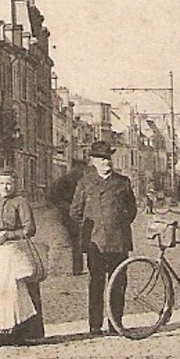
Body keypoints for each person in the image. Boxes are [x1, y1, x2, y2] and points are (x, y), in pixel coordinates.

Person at [69, 140, 137, 336]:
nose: (106, 162)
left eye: (108, 158)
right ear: (93, 161)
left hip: (118, 241)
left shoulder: (122, 182)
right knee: (96, 283)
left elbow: (131, 210)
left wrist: (118, 224)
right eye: (102, 158)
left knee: (118, 283)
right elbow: (75, 212)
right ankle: (95, 325)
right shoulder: (85, 183)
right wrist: (90, 229)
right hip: (95, 243)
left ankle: (115, 323)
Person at [0, 169, 44, 345]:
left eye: (9, 183)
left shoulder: (20, 203)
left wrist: (8, 235)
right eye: (1, 183)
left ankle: (23, 333)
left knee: (19, 291)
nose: (5, 187)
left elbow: (29, 229)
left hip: (16, 251)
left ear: (15, 184)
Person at [47, 160, 86, 276]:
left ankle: (75, 268)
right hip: (65, 214)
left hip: (73, 213)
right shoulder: (64, 181)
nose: (81, 171)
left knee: (74, 240)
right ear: (74, 168)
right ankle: (71, 269)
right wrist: (66, 207)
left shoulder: (80, 181)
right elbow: (52, 197)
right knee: (72, 240)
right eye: (80, 169)